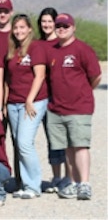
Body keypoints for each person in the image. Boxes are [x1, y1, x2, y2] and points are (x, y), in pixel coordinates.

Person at [46, 13, 101, 201]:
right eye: (58, 26)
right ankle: (73, 182)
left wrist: (83, 92)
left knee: (80, 145)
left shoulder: (82, 49)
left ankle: (85, 183)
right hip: (57, 108)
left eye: (65, 26)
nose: (61, 29)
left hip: (79, 107)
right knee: (67, 147)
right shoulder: (53, 51)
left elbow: (96, 76)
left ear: (73, 28)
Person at [5, 14, 49, 199]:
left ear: (30, 28)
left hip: (32, 101)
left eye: (22, 27)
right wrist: (5, 103)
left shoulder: (36, 47)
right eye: (16, 28)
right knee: (18, 144)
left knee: (24, 143)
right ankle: (24, 183)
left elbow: (40, 75)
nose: (18, 31)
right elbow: (8, 79)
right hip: (13, 102)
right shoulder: (13, 50)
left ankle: (33, 186)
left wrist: (30, 99)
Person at [37, 7, 68, 193]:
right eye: (43, 21)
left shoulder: (61, 44)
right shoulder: (36, 45)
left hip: (57, 98)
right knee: (43, 139)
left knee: (57, 139)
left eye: (50, 21)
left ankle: (63, 177)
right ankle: (54, 176)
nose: (47, 25)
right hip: (40, 96)